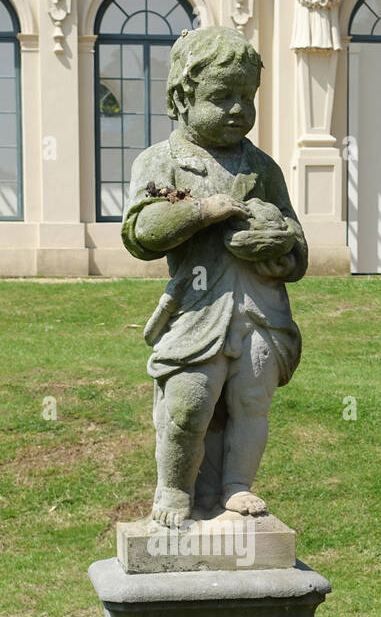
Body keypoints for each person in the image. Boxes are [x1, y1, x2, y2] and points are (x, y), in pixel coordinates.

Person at [121, 26, 308, 527]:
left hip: (258, 308)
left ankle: (237, 486)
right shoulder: (163, 160)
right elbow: (140, 231)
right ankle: (174, 489)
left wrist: (283, 255)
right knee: (189, 402)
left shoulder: (262, 167)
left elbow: (296, 235)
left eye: (246, 98)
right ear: (183, 97)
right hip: (197, 308)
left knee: (252, 401)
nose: (237, 110)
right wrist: (200, 212)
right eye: (221, 97)